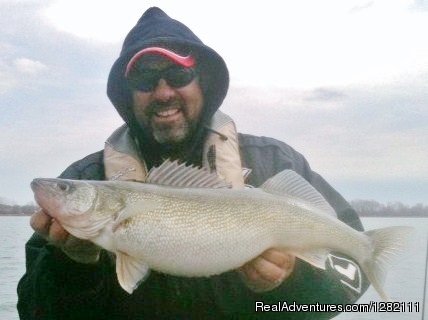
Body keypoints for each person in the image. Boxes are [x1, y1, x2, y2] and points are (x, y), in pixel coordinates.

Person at [17, 7, 369, 320]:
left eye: (178, 74)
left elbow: (352, 277)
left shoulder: (274, 163)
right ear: (127, 95)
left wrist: (289, 283)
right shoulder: (87, 177)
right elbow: (33, 311)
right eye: (145, 79)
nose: (164, 91)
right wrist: (74, 265)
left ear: (204, 82)